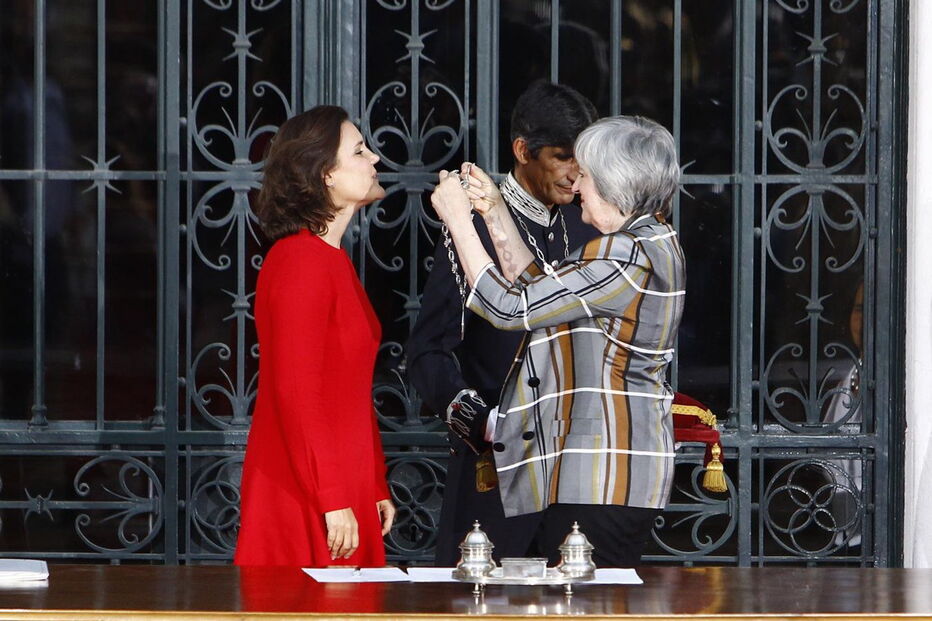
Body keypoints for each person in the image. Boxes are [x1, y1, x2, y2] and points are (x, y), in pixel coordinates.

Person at [430, 115, 685, 568]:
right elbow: (540, 289)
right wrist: (494, 211)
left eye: (584, 174)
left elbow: (510, 308)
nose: (576, 185)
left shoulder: (624, 253)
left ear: (613, 181)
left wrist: (457, 221)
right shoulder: (648, 241)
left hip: (602, 477)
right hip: (606, 476)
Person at [406, 81, 599, 565]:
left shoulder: (587, 221)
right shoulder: (468, 223)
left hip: (574, 474)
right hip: (495, 469)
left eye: (583, 160)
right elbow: (427, 350)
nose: (577, 174)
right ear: (522, 150)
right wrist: (482, 422)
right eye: (562, 157)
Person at [235, 105, 396, 567]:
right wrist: (330, 494)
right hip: (303, 484)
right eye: (360, 151)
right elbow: (296, 390)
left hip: (339, 479)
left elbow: (348, 387)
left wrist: (374, 482)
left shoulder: (330, 261)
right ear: (325, 173)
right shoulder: (300, 261)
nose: (375, 161)